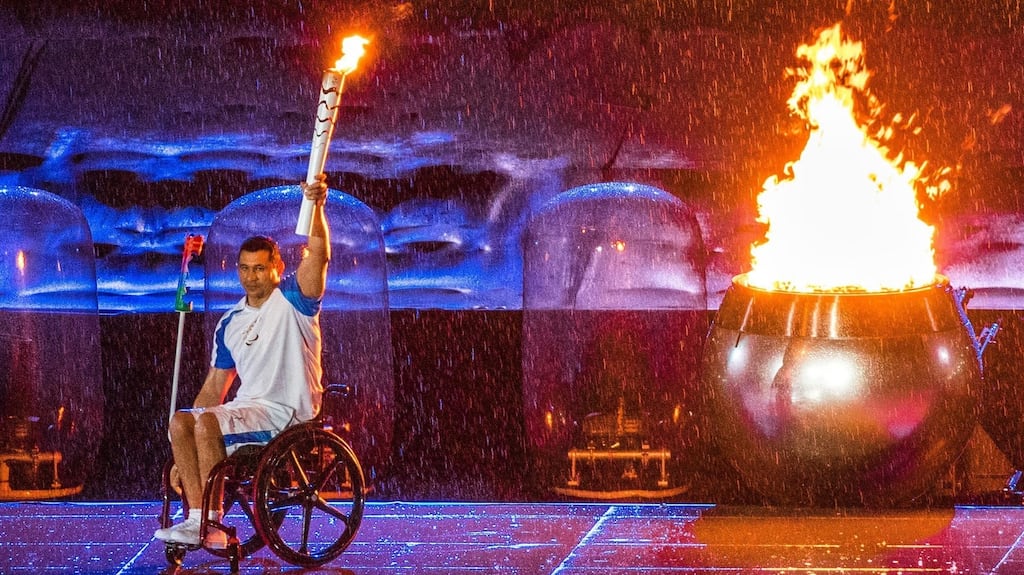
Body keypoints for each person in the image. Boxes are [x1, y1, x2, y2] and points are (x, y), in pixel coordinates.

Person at [155, 175, 331, 548]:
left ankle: (211, 523)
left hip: (287, 412)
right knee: (183, 420)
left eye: (260, 268)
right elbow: (215, 386)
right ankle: (196, 519)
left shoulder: (294, 303)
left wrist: (316, 208)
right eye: (245, 269)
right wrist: (179, 449)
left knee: (207, 428)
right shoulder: (230, 322)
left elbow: (318, 254)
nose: (251, 277)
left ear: (277, 268)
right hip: (248, 409)